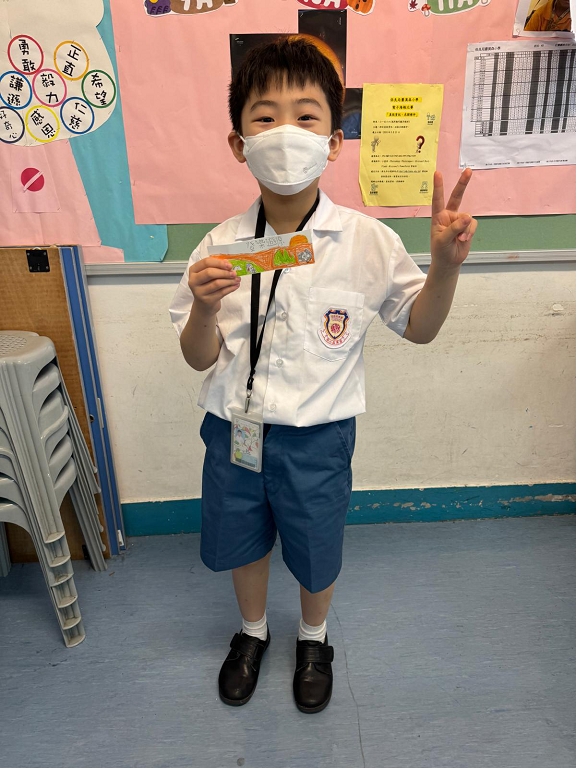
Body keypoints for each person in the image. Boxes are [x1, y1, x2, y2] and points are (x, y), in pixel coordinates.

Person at [169, 37, 477, 714]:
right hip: (234, 429)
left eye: (305, 116)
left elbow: (420, 328)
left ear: (334, 142)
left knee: (316, 544)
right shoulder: (218, 246)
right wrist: (203, 306)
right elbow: (198, 356)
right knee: (242, 541)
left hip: (318, 437)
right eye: (265, 116)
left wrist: (446, 267)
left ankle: (314, 638)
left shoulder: (368, 242)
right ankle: (252, 632)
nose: (285, 131)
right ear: (238, 143)